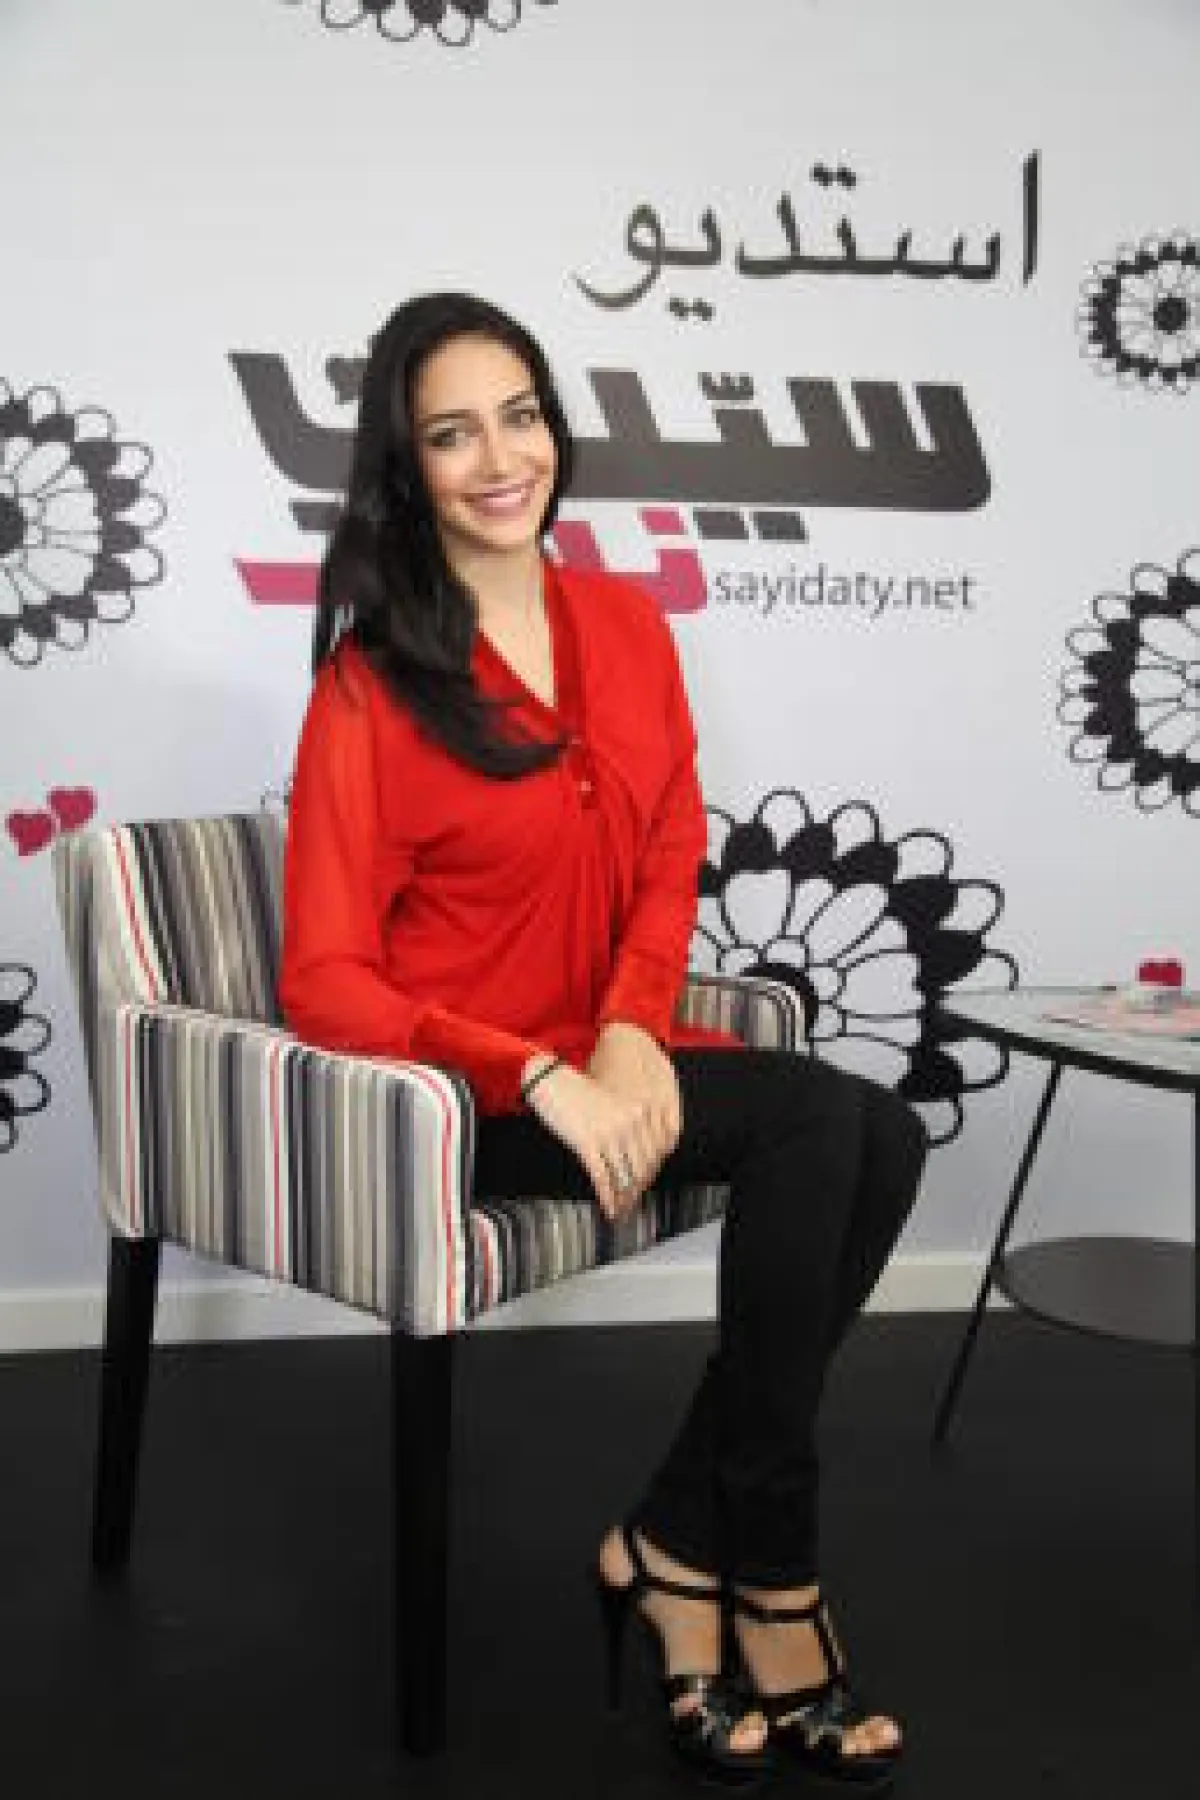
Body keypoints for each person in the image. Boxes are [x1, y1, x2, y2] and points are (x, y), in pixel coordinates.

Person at [279, 291, 929, 1789]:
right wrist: (536, 1071)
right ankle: (771, 1578)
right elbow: (322, 980)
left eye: (520, 416)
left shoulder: (629, 625)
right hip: (471, 1103)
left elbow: (669, 841)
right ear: (405, 468)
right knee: (823, 1120)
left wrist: (633, 1028)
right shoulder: (369, 689)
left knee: (884, 1130)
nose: (500, 458)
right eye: (452, 434)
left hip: (608, 1054)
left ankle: (669, 1544)